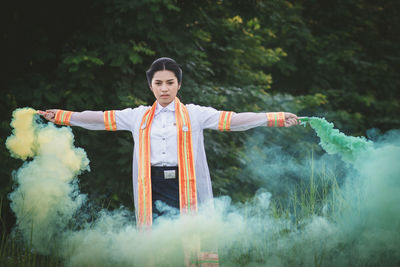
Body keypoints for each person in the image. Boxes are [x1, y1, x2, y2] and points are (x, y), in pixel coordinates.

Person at [38, 57, 299, 266]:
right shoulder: (137, 116)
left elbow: (232, 120)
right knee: (156, 246)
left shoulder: (195, 114)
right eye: (159, 83)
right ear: (150, 85)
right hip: (151, 187)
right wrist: (61, 116)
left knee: (188, 243)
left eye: (170, 82)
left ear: (178, 85)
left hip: (184, 188)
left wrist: (274, 117)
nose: (164, 88)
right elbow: (99, 118)